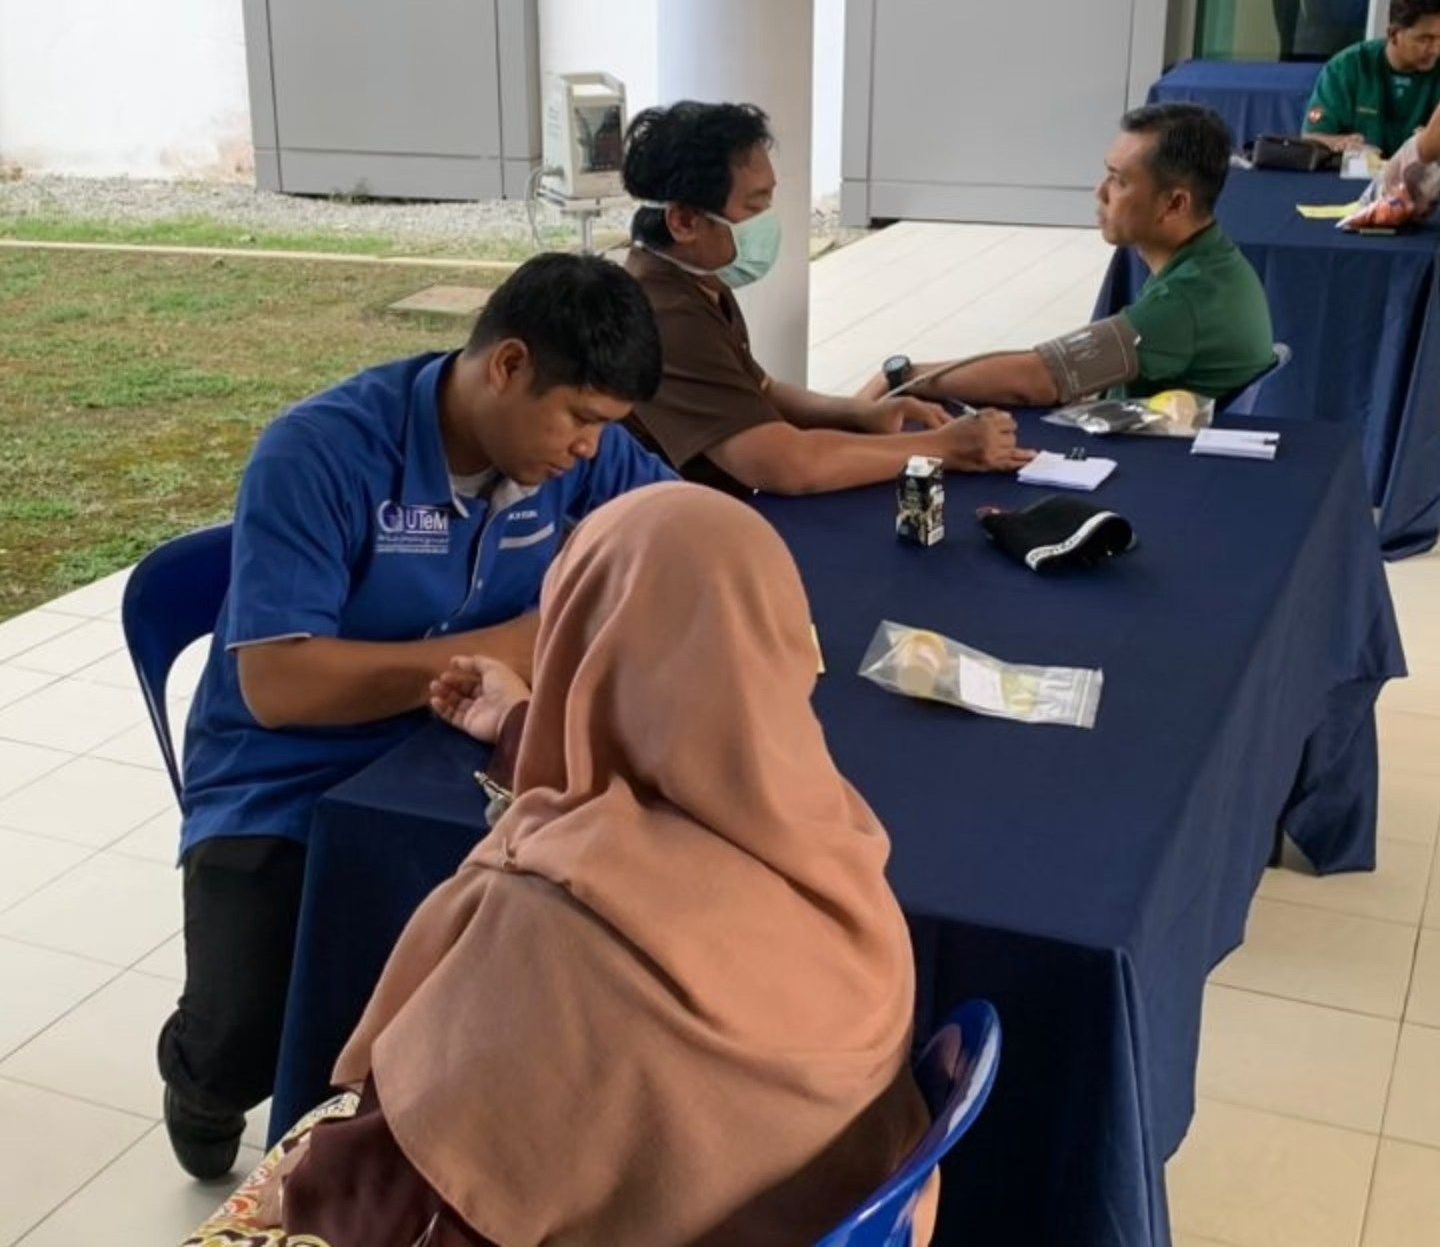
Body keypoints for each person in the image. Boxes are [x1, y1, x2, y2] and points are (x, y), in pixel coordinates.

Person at [181, 484, 937, 1247]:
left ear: (578, 647)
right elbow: (673, 763)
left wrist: (308, 1179)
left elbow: (403, 1196)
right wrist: (526, 723)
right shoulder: (831, 838)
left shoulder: (554, 932)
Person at [160, 253, 676, 1181]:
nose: (590, 450)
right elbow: (280, 685)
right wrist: (519, 642)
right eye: (581, 419)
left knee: (553, 946)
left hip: (462, 748)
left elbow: (676, 535)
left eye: (608, 427)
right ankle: (200, 1078)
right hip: (285, 772)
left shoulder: (574, 456)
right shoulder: (320, 453)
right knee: (245, 1029)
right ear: (508, 366)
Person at [620, 100, 1034, 495]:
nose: (768, 221)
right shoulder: (667, 316)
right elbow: (785, 465)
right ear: (684, 221)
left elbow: (761, 391)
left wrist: (861, 413)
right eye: (754, 206)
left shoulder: (699, 280)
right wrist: (945, 447)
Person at [860, 104, 1275, 408]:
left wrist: (902, 376)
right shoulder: (1212, 263)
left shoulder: (1184, 303)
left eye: (1119, 181)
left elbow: (1039, 378)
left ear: (1174, 204)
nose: (1100, 192)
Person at [1302, 0, 1440, 157]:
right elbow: (1311, 137)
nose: (1435, 49)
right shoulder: (1347, 67)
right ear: (1393, 34)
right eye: (1425, 39)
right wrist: (1339, 143)